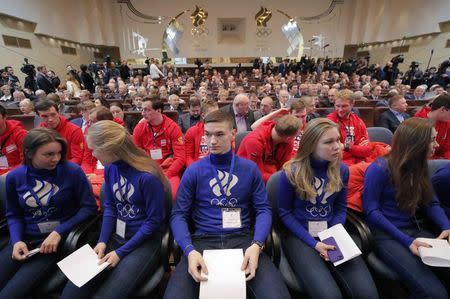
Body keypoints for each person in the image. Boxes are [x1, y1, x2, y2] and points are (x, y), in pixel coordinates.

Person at [165, 110, 290, 299]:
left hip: (243, 240)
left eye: (219, 134)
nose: (212, 141)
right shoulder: (194, 171)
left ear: (233, 134)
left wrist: (257, 244)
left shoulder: (249, 169)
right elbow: (178, 215)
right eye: (208, 134)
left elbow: (263, 209)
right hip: (202, 242)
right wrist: (189, 251)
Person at [61, 120, 167, 298]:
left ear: (110, 149)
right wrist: (102, 241)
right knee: (71, 293)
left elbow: (154, 222)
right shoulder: (111, 168)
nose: (93, 154)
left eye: (95, 149)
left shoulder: (147, 177)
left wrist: (121, 252)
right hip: (116, 237)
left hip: (144, 241)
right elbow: (109, 208)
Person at [278, 118, 378, 298]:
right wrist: (314, 244)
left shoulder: (342, 170)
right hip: (300, 236)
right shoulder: (291, 171)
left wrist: (333, 235)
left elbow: (340, 207)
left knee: (367, 293)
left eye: (338, 140)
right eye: (329, 142)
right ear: (311, 145)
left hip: (331, 231)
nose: (338, 146)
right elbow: (285, 214)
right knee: (329, 295)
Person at [0, 128, 97, 297]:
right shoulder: (14, 177)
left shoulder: (72, 171)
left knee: (10, 294)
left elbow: (89, 208)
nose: (56, 158)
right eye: (49, 154)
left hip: (55, 242)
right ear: (29, 154)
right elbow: (13, 214)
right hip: (26, 238)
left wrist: (59, 232)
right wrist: (16, 241)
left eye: (59, 153)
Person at [363, 117, 450, 298]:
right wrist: (406, 240)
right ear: (417, 143)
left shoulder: (420, 166)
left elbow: (431, 202)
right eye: (432, 140)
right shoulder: (379, 167)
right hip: (386, 235)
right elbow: (371, 211)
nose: (436, 145)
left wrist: (446, 225)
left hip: (414, 230)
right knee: (433, 293)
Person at [133, 97, 185, 200]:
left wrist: (166, 175)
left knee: (173, 195)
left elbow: (180, 158)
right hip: (146, 169)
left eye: (147, 110)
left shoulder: (173, 127)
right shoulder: (140, 128)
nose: (143, 113)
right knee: (136, 194)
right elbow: (135, 154)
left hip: (168, 170)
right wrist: (146, 170)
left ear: (158, 111)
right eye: (142, 110)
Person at [237, 114, 300, 183]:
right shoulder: (254, 141)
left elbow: (285, 166)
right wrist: (281, 179)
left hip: (270, 172)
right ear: (289, 138)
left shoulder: (287, 141)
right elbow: (256, 174)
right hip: (247, 175)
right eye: (295, 136)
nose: (294, 140)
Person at [327, 89, 371, 166]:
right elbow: (333, 154)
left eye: (344, 106)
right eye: (337, 106)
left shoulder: (358, 121)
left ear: (352, 104)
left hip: (360, 162)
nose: (340, 110)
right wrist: (357, 149)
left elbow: (366, 151)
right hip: (339, 165)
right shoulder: (330, 121)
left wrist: (345, 147)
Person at [36, 100, 86, 165]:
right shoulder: (38, 132)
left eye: (53, 114)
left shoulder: (74, 130)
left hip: (67, 168)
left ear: (58, 112)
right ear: (38, 116)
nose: (50, 119)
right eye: (45, 116)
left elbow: (77, 158)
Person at [415, 93, 450, 159]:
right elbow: (419, 153)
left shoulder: (447, 122)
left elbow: (448, 148)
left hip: (440, 161)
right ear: (442, 109)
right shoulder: (417, 122)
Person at [185, 100, 219, 166]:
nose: (216, 117)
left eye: (218, 114)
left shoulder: (223, 131)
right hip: (198, 168)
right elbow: (188, 157)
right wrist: (195, 170)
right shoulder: (192, 131)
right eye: (213, 114)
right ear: (203, 115)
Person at [0, 105, 28, 175]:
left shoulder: (20, 134)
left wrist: (5, 173)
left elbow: (26, 163)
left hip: (16, 175)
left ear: (4, 117)